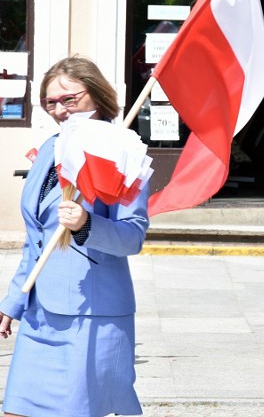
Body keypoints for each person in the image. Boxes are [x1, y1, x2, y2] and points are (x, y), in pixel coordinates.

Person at [0, 56, 150, 417]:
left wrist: (87, 224)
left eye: (70, 99)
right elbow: (36, 238)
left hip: (90, 314)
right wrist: (13, 302)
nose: (60, 110)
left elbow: (133, 237)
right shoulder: (49, 149)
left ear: (96, 96)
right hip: (40, 315)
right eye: (51, 102)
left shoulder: (122, 149)